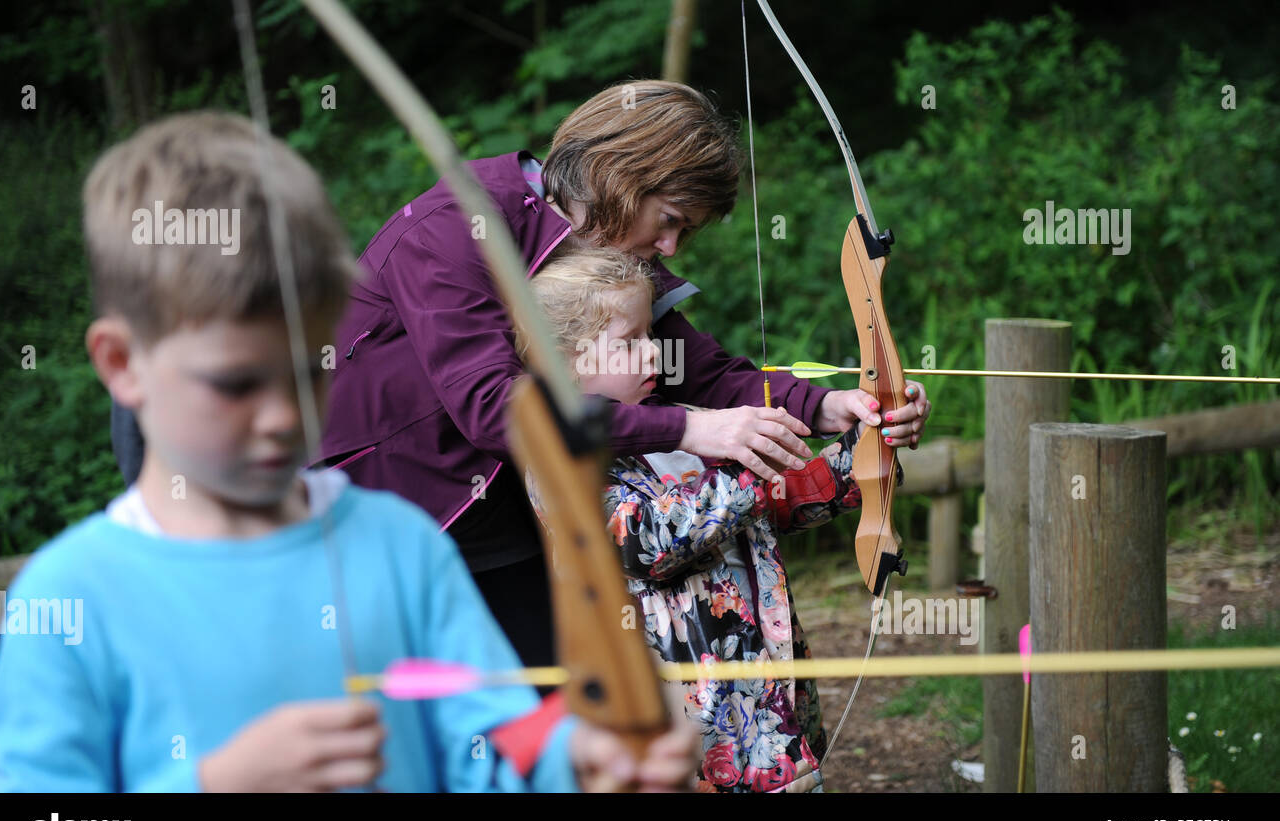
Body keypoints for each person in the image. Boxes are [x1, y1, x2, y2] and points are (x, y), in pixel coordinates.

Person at [0, 111, 697, 793]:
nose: (282, 417)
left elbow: (489, 740)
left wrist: (582, 753)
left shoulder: (402, 547)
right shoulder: (71, 595)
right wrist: (214, 782)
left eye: (309, 373)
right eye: (235, 383)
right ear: (121, 363)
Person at [316, 80, 931, 670]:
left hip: (508, 527)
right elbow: (493, 406)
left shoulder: (608, 256)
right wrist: (687, 429)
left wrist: (829, 409)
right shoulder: (453, 226)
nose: (670, 247)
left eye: (683, 232)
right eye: (670, 219)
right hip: (385, 525)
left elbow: (702, 372)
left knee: (537, 725)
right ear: (622, 175)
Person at [521, 248, 874, 792]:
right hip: (677, 732)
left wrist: (868, 447)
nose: (653, 355)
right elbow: (650, 543)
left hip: (770, 702)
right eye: (629, 341)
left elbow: (779, 501)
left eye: (650, 335)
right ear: (565, 358)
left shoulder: (686, 424)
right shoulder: (560, 460)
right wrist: (750, 465)